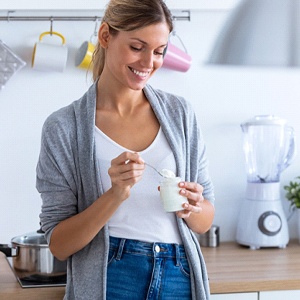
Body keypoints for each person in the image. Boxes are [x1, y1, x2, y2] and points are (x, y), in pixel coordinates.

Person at [36, 0, 215, 299]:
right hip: (111, 276)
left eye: (159, 52)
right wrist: (115, 193)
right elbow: (59, 244)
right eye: (137, 47)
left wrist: (193, 206)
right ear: (106, 36)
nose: (148, 63)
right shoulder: (63, 128)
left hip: (178, 273)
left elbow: (205, 220)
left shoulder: (180, 114)